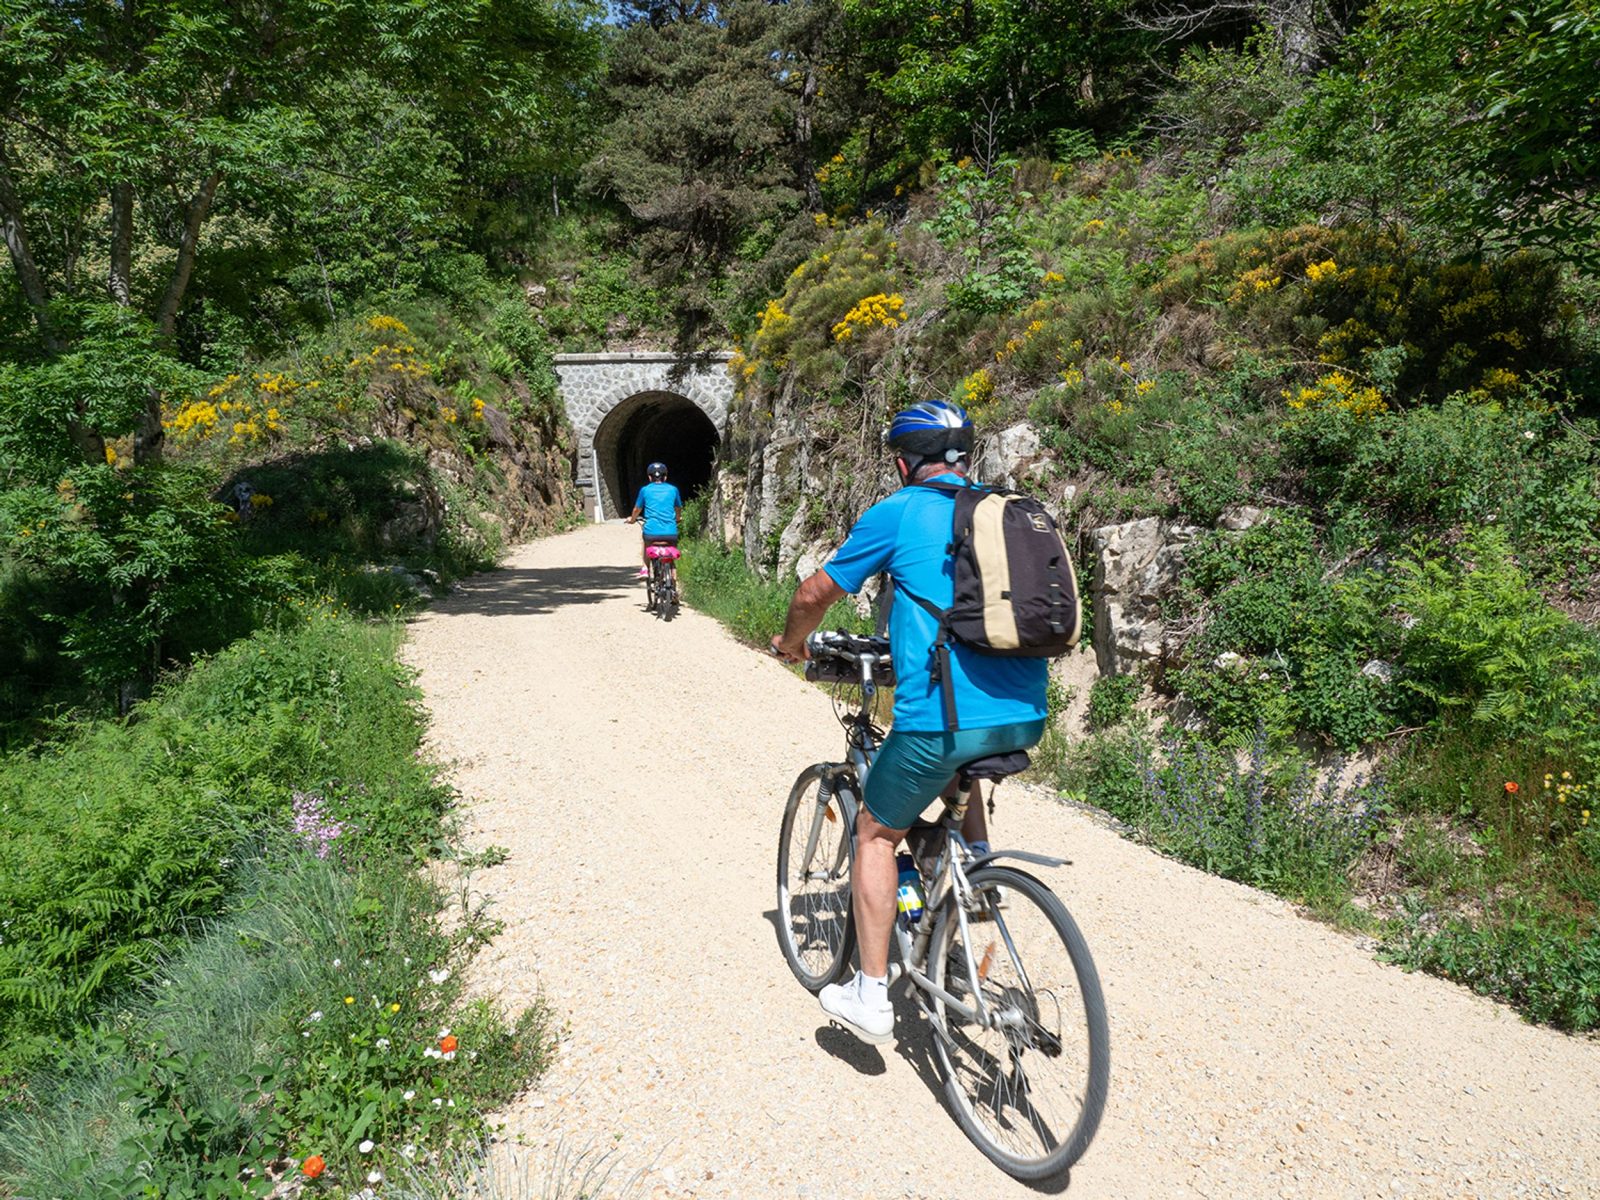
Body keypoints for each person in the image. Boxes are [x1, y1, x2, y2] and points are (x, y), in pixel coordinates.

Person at [771, 400, 1048, 1045]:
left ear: (903, 464)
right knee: (958, 770)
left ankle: (871, 995)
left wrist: (791, 643)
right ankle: (973, 876)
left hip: (940, 720)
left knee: (873, 832)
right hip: (1024, 713)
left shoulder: (899, 512)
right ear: (966, 458)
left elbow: (815, 593)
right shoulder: (1003, 512)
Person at [627, 461, 683, 581]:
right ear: (665, 477)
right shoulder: (673, 490)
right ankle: (673, 579)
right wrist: (678, 518)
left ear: (649, 477)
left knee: (645, 541)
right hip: (670, 533)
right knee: (672, 553)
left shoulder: (645, 490)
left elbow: (637, 509)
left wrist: (632, 519)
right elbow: (678, 508)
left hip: (651, 533)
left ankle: (645, 568)